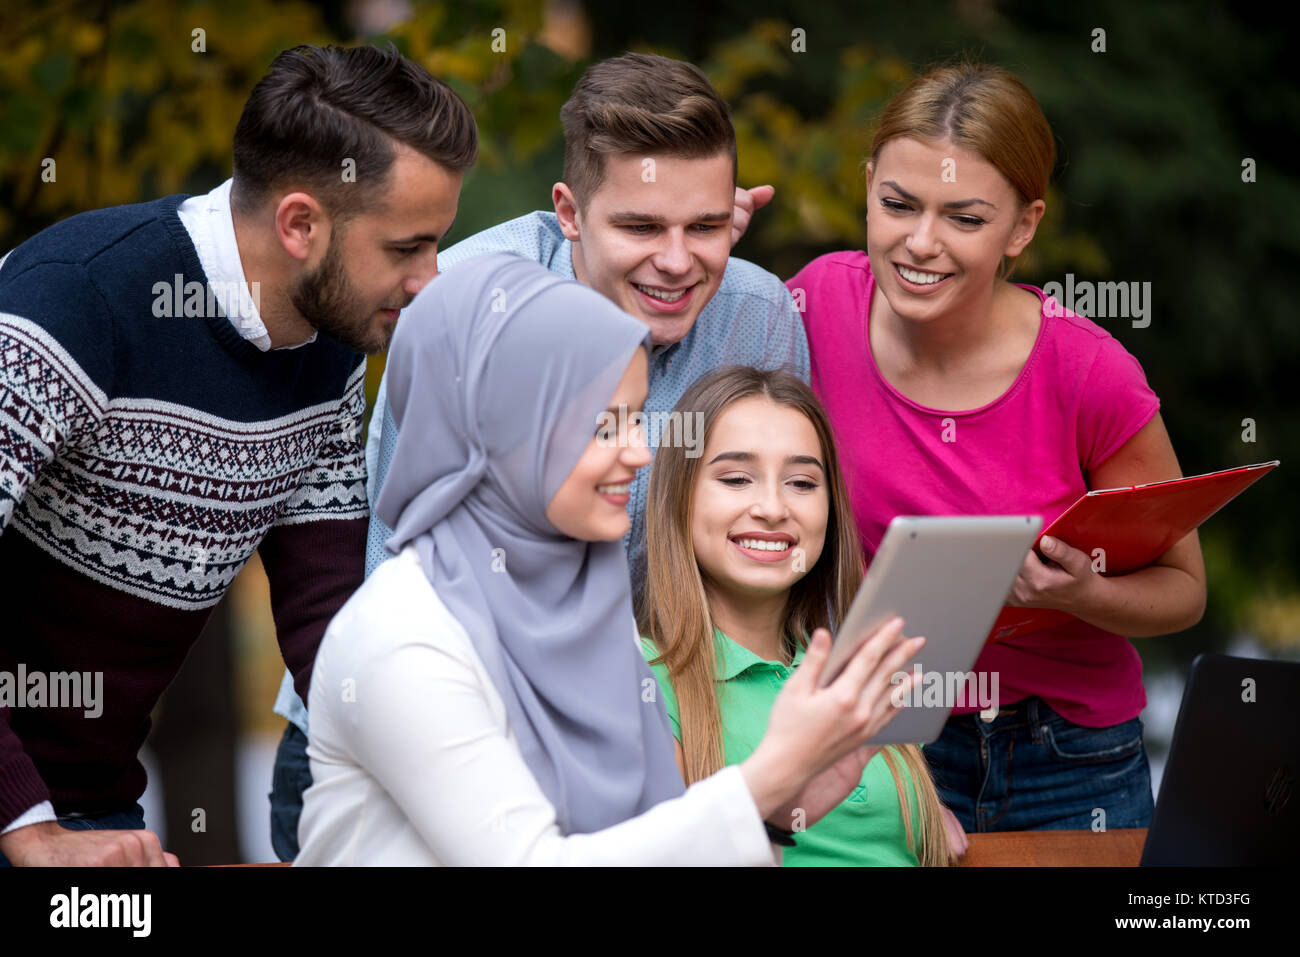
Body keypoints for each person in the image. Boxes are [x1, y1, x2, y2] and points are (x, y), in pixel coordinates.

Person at [270, 52, 808, 856]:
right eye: (640, 226)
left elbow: (773, 549)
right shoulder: (462, 302)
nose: (676, 260)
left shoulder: (757, 313)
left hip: (624, 727)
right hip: (435, 725)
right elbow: (399, 544)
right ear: (568, 210)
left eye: (705, 226)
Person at [0, 43, 475, 865]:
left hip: (94, 811)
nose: (430, 278)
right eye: (407, 248)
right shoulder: (74, 301)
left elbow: (327, 614)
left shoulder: (330, 346)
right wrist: (28, 829)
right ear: (300, 224)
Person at [293, 253, 925, 865]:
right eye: (604, 427)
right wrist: (766, 780)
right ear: (500, 429)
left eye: (637, 418)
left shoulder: (588, 611)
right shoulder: (405, 638)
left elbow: (646, 840)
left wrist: (776, 812)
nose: (641, 452)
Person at [782, 63, 1206, 832]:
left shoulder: (1089, 371)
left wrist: (1082, 592)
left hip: (1069, 755)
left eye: (964, 219)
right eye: (898, 204)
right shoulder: (812, 307)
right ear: (868, 184)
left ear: (1023, 226)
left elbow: (1185, 589)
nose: (921, 243)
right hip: (881, 739)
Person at [639, 365, 961, 865]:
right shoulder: (640, 678)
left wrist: (922, 812)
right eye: (736, 478)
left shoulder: (857, 673)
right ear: (679, 497)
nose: (772, 507)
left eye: (802, 483)